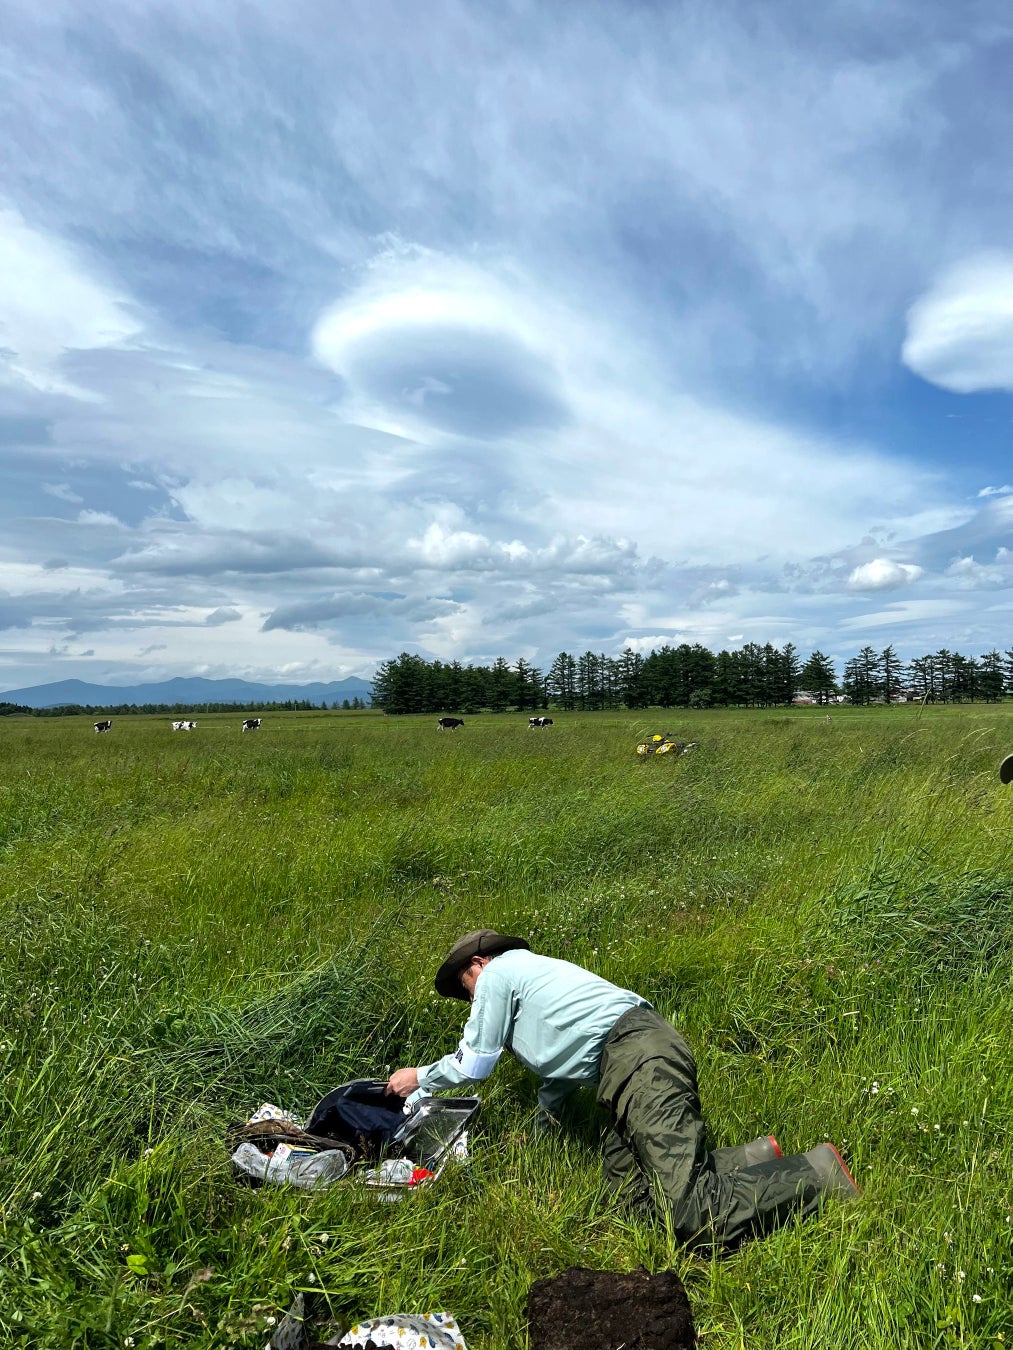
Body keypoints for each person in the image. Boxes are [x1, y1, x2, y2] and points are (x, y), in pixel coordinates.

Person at [386, 929, 859, 1250]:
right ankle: (755, 1158)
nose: (470, 999)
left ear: (477, 964)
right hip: (621, 1072)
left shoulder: (499, 975)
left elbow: (476, 1063)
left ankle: (818, 1172)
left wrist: (420, 1077)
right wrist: (540, 1127)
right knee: (630, 1203)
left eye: (466, 987)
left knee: (691, 1214)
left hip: (639, 1057)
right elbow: (559, 1071)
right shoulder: (531, 981)